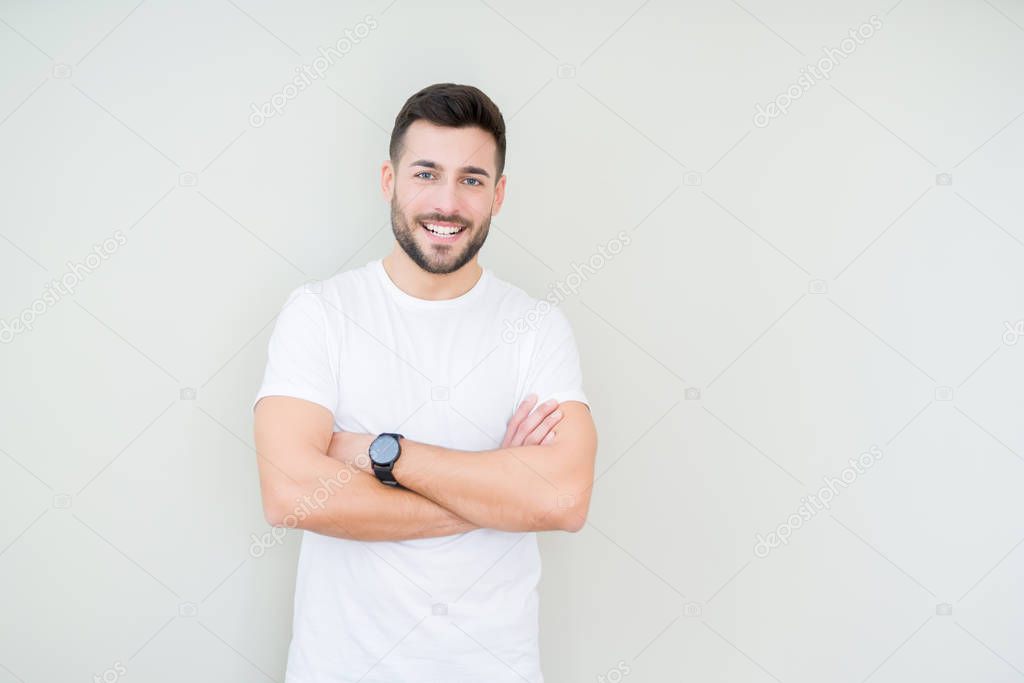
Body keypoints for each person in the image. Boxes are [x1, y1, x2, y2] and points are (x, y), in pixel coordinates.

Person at [252, 82, 597, 682]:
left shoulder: (536, 328)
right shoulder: (320, 313)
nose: (447, 203)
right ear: (388, 180)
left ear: (499, 194)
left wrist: (380, 454)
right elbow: (289, 494)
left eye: (471, 179)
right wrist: (498, 491)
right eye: (426, 173)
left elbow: (563, 500)